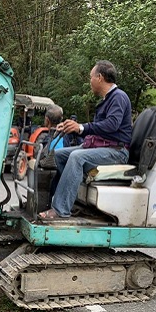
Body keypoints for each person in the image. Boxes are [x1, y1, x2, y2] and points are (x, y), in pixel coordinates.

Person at [39, 60, 132, 219]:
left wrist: (81, 127)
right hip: (103, 148)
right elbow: (98, 131)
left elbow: (112, 125)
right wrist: (72, 129)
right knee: (60, 155)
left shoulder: (118, 97)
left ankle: (60, 209)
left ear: (100, 77)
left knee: (76, 156)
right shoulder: (107, 100)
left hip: (116, 152)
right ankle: (72, 201)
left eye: (91, 77)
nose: (90, 81)